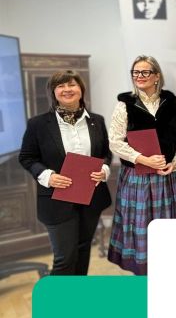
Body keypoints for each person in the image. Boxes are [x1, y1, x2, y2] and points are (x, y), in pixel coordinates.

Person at [19, 70, 112, 275]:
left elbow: (106, 154)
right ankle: (58, 297)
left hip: (91, 197)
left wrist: (104, 169)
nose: (67, 89)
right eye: (60, 86)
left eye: (72, 84)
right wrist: (47, 176)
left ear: (81, 89)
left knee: (83, 250)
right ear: (53, 92)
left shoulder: (97, 120)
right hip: (56, 199)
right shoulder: (38, 124)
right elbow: (27, 157)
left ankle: (75, 295)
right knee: (65, 258)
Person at [108, 55, 176, 275]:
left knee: (164, 228)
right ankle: (141, 274)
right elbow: (115, 142)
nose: (139, 76)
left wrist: (175, 162)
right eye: (136, 72)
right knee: (139, 227)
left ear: (157, 76)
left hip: (165, 177)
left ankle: (164, 274)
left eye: (145, 72)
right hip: (136, 178)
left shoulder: (172, 102)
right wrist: (143, 159)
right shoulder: (124, 104)